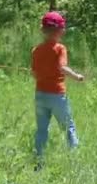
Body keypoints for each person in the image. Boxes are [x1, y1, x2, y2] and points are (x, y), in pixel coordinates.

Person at [31, 11, 84, 170]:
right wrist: (76, 76)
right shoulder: (60, 48)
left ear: (43, 30)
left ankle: (39, 163)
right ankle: (75, 162)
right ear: (61, 31)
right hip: (57, 95)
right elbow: (62, 67)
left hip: (40, 95)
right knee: (69, 128)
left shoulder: (36, 50)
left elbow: (34, 73)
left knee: (41, 130)